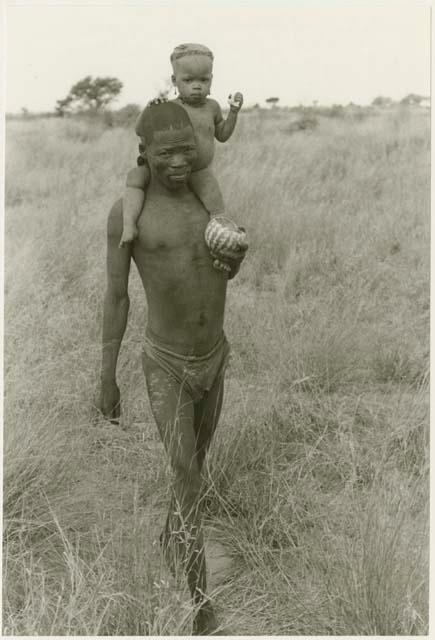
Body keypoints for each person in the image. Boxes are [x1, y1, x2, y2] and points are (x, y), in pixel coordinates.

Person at [98, 101, 247, 635]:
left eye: (187, 148)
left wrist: (234, 258)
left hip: (215, 356)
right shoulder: (129, 215)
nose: (179, 161)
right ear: (145, 153)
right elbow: (117, 298)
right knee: (185, 475)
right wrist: (105, 377)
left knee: (195, 471)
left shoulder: (211, 205)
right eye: (166, 153)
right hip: (165, 364)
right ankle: (199, 604)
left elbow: (218, 274)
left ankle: (172, 539)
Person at [119, 42, 243, 249]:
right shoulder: (169, 108)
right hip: (164, 170)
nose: (197, 85)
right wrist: (149, 110)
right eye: (188, 80)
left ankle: (220, 247)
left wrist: (234, 113)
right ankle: (128, 224)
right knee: (135, 179)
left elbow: (222, 135)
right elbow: (140, 130)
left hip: (199, 170)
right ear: (175, 81)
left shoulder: (212, 107)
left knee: (217, 208)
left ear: (211, 80)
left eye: (203, 80)